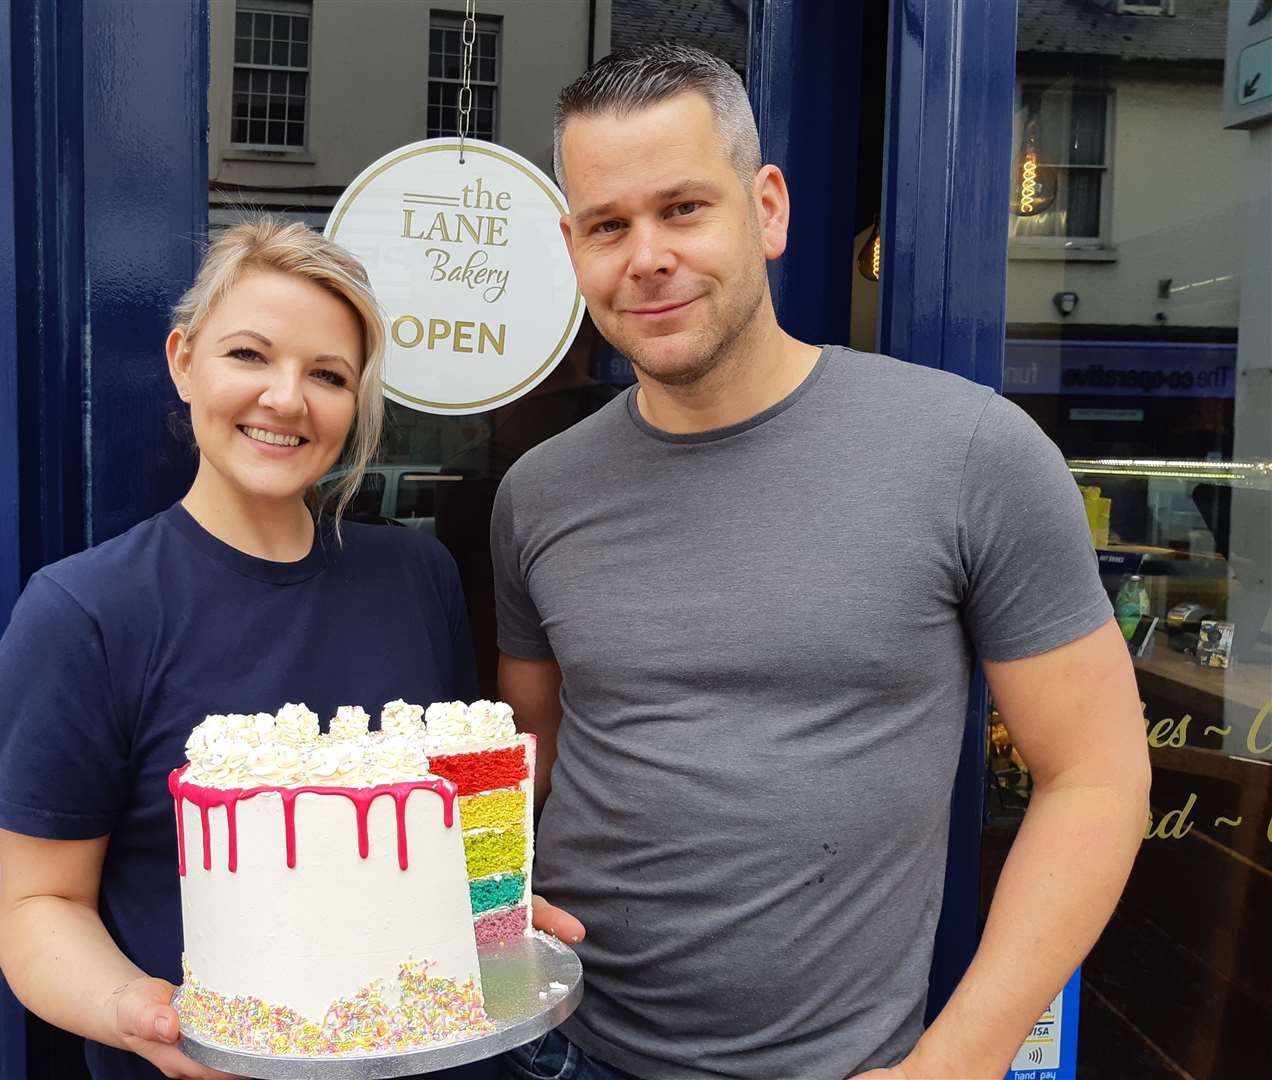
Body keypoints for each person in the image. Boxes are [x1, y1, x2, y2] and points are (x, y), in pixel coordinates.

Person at [493, 45, 1151, 1080]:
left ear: (767, 209)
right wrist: (486, 897)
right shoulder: (539, 491)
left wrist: (960, 1060)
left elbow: (1097, 775)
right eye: (608, 226)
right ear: (571, 247)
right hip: (559, 1048)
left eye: (683, 209)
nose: (646, 256)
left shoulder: (969, 452)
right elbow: (528, 754)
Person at [0, 219, 479, 1080]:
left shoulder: (419, 577)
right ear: (183, 361)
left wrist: (490, 922)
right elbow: (38, 903)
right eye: (249, 355)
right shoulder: (85, 614)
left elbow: (444, 841)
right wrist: (138, 1011)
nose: (287, 399)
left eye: (328, 374)